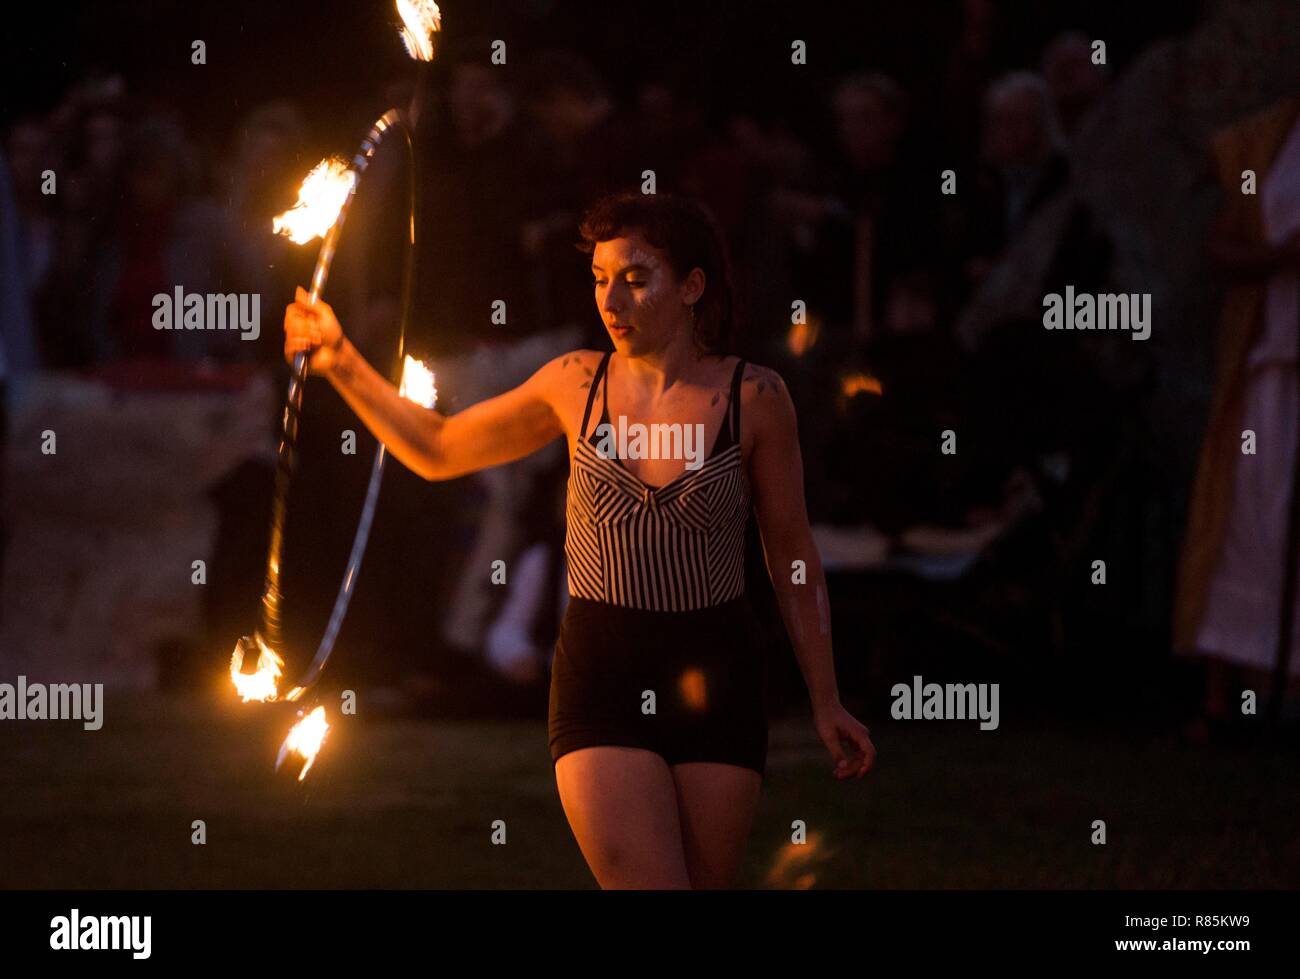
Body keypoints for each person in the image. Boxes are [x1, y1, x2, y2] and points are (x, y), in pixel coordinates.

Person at [283, 191, 876, 888]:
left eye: (635, 277)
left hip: (719, 671)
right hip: (604, 670)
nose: (612, 301)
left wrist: (826, 695)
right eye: (600, 279)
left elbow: (792, 555)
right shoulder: (575, 383)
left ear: (692, 286)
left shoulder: (755, 398)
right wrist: (344, 361)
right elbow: (441, 448)